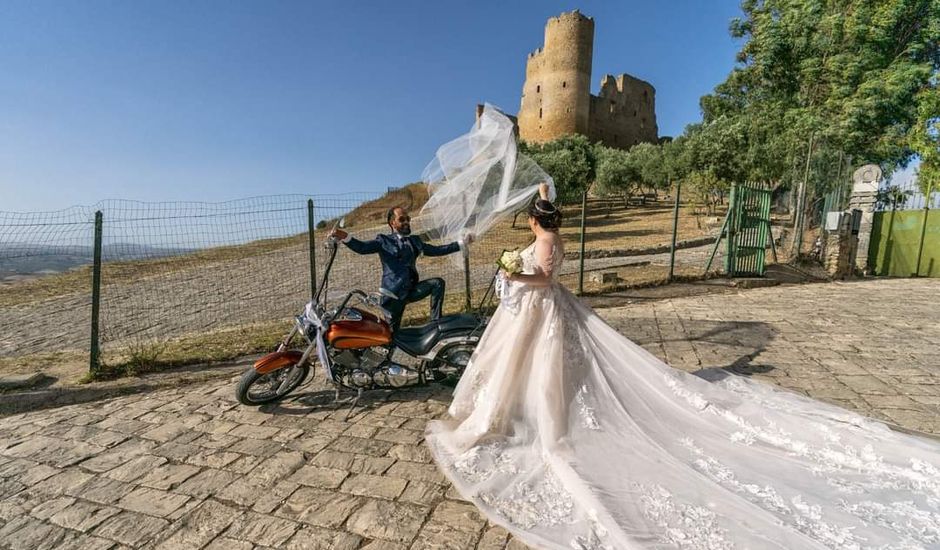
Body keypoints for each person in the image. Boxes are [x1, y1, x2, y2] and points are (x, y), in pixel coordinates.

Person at [425, 184, 940, 549]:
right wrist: (540, 195)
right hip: (542, 312)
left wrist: (510, 274)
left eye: (534, 218)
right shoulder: (553, 236)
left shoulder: (543, 244)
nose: (534, 223)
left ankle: (536, 421)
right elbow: (549, 260)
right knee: (537, 367)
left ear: (537, 225)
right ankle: (523, 411)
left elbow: (545, 281)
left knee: (545, 369)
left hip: (540, 306)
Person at [330, 206, 470, 332]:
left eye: (408, 219)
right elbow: (362, 248)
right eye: (402, 219)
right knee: (391, 334)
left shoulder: (415, 241)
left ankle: (436, 324)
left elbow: (437, 250)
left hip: (411, 291)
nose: (406, 222)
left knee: (437, 283)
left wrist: (461, 243)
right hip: (393, 295)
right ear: (393, 223)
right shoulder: (383, 241)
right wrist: (344, 236)